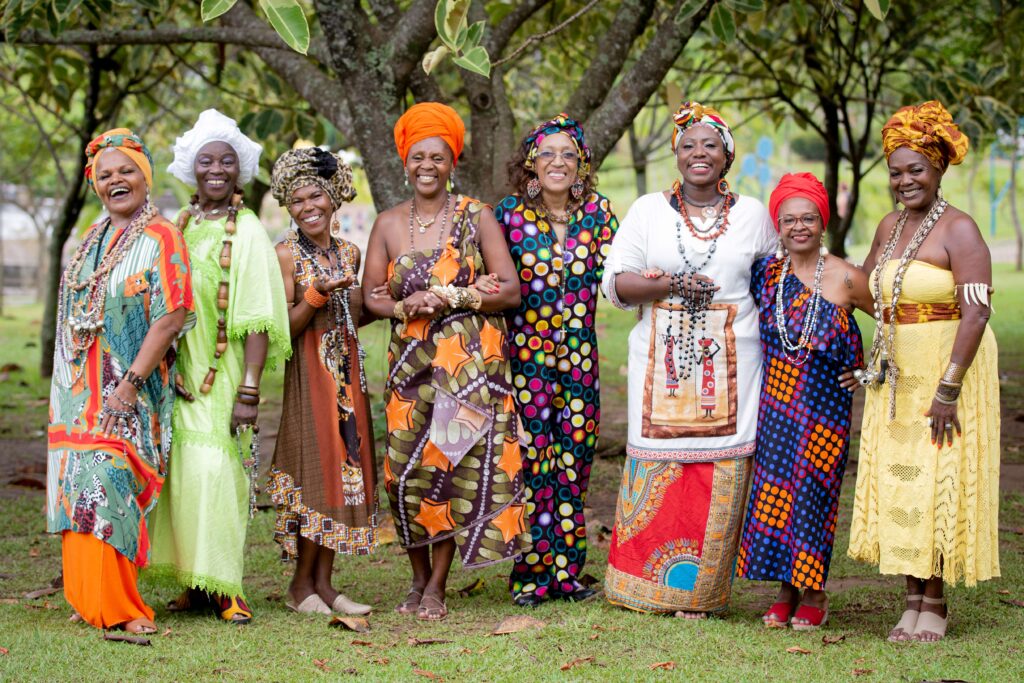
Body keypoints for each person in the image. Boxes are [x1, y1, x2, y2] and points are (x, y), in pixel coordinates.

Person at [601, 102, 778, 618]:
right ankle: (640, 585)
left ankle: (701, 595)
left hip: (731, 366)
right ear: (676, 155)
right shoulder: (647, 211)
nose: (699, 153)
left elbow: (776, 280)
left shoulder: (753, 216)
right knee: (662, 469)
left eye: (710, 145)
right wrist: (673, 284)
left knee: (719, 467)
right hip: (661, 365)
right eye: (688, 145)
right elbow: (615, 285)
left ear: (727, 155)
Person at [362, 102, 530, 621]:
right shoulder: (388, 223)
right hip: (409, 368)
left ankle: (435, 585)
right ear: (405, 162)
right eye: (418, 156)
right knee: (405, 473)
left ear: (451, 161)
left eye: (437, 155)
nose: (427, 165)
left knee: (450, 470)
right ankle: (415, 578)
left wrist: (453, 298)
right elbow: (372, 295)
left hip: (468, 369)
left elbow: (509, 290)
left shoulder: (476, 216)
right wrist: (404, 304)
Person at [847, 101, 1000, 643]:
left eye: (917, 169)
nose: (905, 180)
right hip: (899, 373)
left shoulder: (960, 228)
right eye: (896, 170)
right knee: (902, 481)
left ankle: (934, 603)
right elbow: (864, 289)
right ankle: (911, 599)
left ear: (938, 169)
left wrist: (949, 388)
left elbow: (978, 310)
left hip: (947, 370)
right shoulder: (890, 225)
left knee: (938, 478)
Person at [47, 128, 193, 633]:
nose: (116, 181)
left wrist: (130, 384)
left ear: (145, 176)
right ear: (94, 184)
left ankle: (123, 605)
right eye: (105, 174)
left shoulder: (162, 236)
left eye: (126, 170)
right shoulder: (91, 236)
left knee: (108, 479)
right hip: (75, 390)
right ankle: (90, 599)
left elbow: (172, 315)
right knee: (75, 485)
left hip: (128, 387)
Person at [149, 109, 291, 624]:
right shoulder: (179, 226)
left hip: (223, 369)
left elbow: (255, 315)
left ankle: (226, 585)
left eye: (226, 161)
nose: (216, 169)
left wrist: (249, 389)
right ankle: (192, 582)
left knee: (218, 471)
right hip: (179, 371)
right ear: (192, 168)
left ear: (239, 170)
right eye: (206, 160)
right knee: (179, 475)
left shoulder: (248, 229)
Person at [494, 114, 618, 607]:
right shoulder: (506, 215)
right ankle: (530, 575)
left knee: (575, 462)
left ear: (582, 164)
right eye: (547, 154)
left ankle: (567, 574)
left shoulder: (600, 214)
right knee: (532, 461)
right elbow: (492, 276)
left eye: (569, 154)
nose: (558, 163)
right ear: (530, 163)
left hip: (581, 363)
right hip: (526, 362)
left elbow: (620, 272)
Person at [736, 172, 869, 630]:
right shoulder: (764, 275)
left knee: (813, 495)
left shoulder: (848, 278)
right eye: (789, 219)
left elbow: (895, 319)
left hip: (824, 408)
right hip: (775, 407)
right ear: (778, 225)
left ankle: (814, 592)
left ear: (822, 221)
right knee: (774, 495)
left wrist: (870, 370)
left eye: (808, 218)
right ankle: (784, 589)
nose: (798, 227)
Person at [267, 147, 378, 615]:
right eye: (297, 201)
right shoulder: (285, 256)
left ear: (333, 199)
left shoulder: (350, 251)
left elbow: (358, 315)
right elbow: (281, 330)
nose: (308, 207)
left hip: (347, 377)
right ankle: (300, 587)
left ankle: (325, 586)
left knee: (344, 475)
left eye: (316, 196)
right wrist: (315, 295)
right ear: (288, 208)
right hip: (309, 376)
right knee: (317, 472)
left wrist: (390, 293)